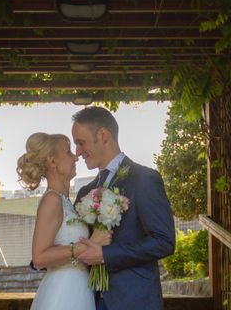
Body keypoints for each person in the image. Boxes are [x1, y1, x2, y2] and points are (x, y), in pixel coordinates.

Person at [72, 106, 176, 310]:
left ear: (103, 135)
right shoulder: (85, 191)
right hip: (88, 300)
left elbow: (163, 241)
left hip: (134, 301)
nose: (77, 152)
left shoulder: (144, 179)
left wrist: (105, 255)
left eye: (80, 142)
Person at [17, 132, 111, 310]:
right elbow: (39, 257)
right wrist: (88, 246)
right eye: (68, 152)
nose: (75, 157)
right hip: (63, 293)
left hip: (78, 289)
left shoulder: (65, 201)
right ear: (52, 161)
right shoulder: (52, 200)